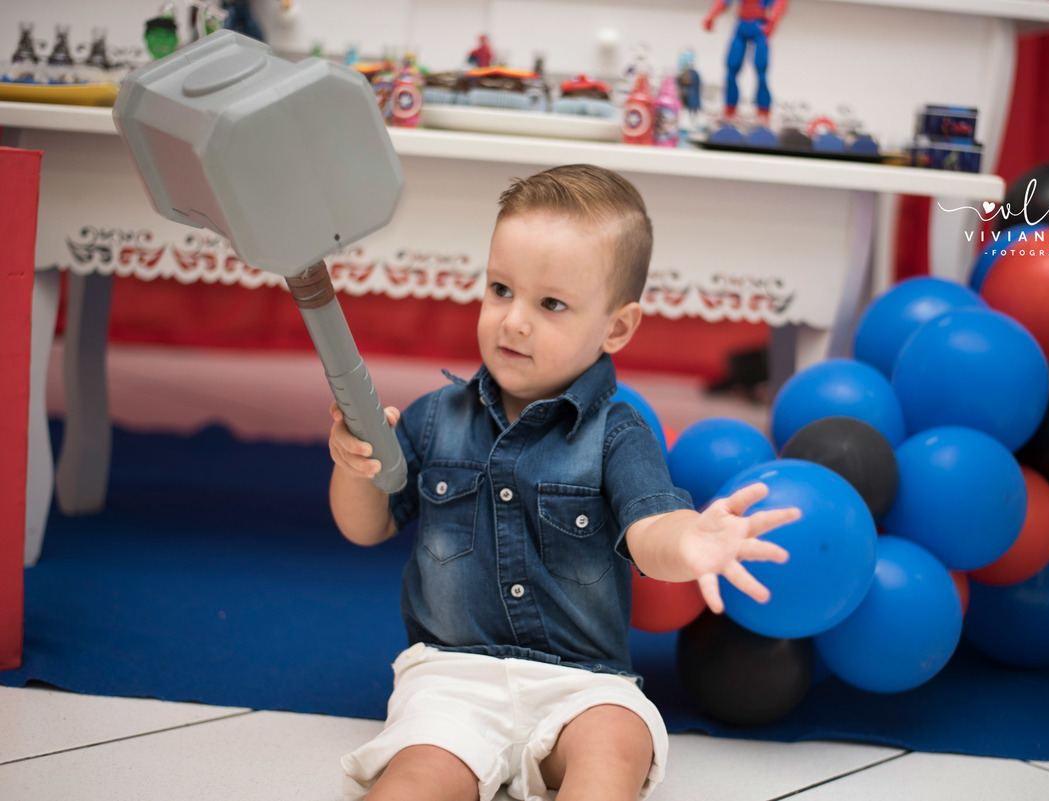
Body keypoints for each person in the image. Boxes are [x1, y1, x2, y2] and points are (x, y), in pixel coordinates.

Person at [328, 164, 799, 801]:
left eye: (551, 304)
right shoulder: (435, 417)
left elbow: (651, 526)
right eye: (500, 289)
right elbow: (366, 526)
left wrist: (692, 543)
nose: (513, 321)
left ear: (617, 327)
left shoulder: (617, 432)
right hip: (451, 678)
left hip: (584, 683)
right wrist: (353, 468)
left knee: (617, 745)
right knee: (416, 777)